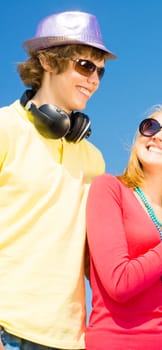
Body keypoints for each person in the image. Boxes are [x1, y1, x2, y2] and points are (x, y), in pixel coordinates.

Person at [0, 11, 115, 350]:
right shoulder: (5, 128)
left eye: (100, 71)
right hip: (9, 330)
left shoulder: (93, 160)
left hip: (72, 339)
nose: (94, 80)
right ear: (49, 62)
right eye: (85, 66)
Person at [84, 105, 162, 349]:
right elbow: (118, 283)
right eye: (150, 127)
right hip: (115, 342)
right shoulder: (109, 189)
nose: (157, 136)